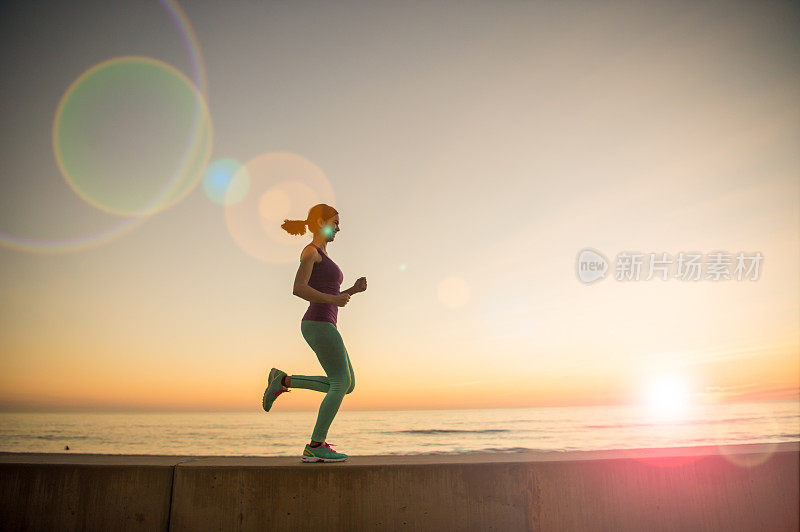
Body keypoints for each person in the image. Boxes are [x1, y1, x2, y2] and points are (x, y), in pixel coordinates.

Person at [262, 203, 367, 463]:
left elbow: (332, 296)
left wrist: (351, 290)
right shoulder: (310, 252)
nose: (339, 228)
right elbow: (298, 288)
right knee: (340, 383)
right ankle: (315, 445)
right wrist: (333, 300)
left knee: (347, 384)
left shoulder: (324, 255)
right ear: (320, 222)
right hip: (317, 323)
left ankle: (283, 381)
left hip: (325, 323)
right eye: (335, 222)